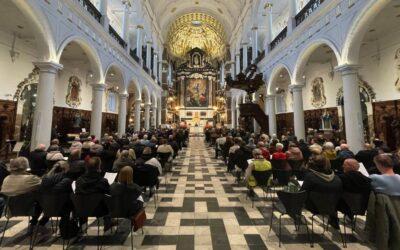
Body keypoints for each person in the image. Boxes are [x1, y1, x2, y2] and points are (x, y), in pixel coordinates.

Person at [1, 157, 49, 234]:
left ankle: (33, 224)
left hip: (11, 210)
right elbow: (45, 183)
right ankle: (39, 223)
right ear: (26, 166)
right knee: (47, 200)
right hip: (28, 209)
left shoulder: (6, 178)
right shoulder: (30, 178)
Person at [301, 154, 343, 228]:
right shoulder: (337, 178)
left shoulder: (310, 177)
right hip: (332, 207)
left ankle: (297, 219)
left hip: (314, 207)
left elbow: (302, 193)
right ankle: (334, 220)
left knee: (298, 196)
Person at [75, 157, 114, 232]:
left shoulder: (79, 180)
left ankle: (83, 227)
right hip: (99, 211)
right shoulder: (102, 181)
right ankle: (108, 222)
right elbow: (109, 193)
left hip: (82, 209)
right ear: (99, 167)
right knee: (107, 199)